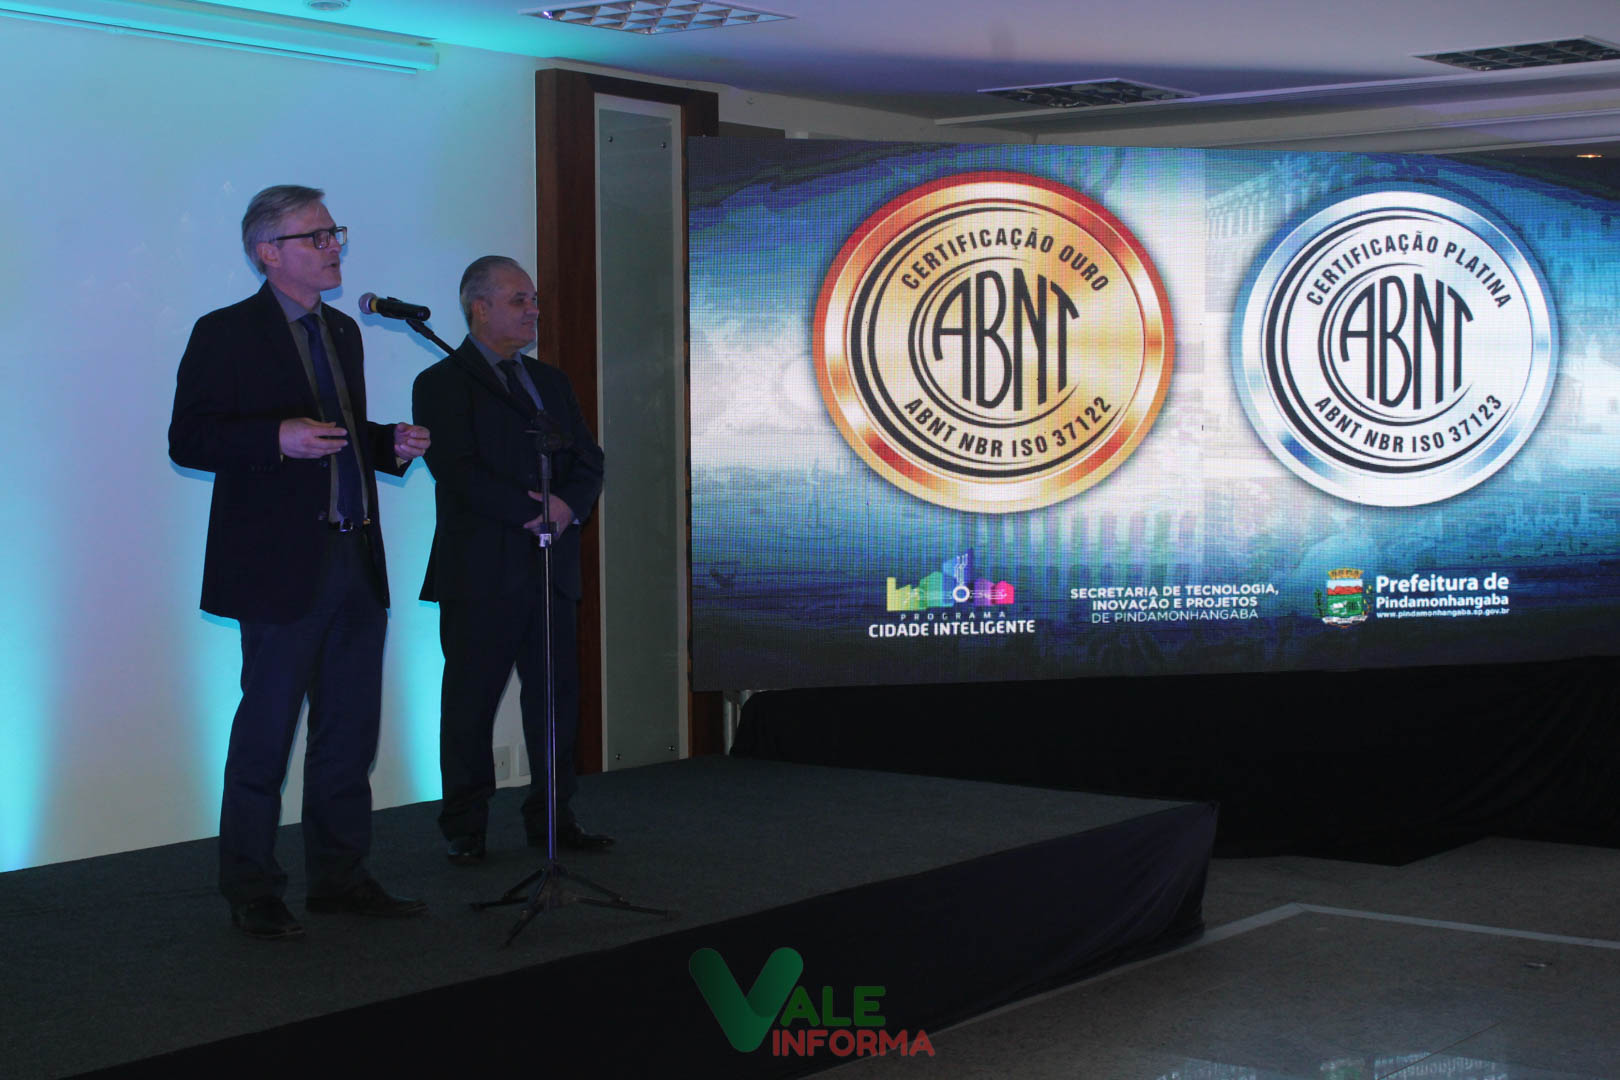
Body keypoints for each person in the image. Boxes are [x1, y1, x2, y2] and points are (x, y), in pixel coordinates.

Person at [169, 184, 432, 940]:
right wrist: (273, 438)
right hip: (279, 569)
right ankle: (251, 888)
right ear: (268, 253)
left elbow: (337, 431)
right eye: (315, 236)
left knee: (348, 734)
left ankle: (340, 879)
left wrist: (385, 443)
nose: (332, 246)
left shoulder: (341, 331)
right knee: (266, 736)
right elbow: (189, 438)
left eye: (333, 233)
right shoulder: (225, 331)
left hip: (355, 555)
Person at [413, 255, 608, 865]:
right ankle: (465, 826)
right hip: (481, 573)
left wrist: (566, 507)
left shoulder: (549, 382)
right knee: (470, 704)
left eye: (534, 299)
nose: (534, 310)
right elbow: (458, 470)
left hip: (551, 569)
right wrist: (533, 511)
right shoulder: (442, 382)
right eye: (519, 299)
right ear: (480, 307)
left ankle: (553, 817)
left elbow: (588, 459)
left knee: (556, 701)